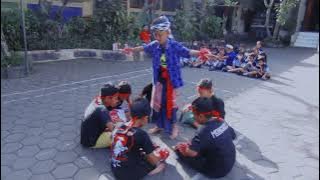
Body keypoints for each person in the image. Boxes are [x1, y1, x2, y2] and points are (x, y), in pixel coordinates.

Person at [121, 15, 210, 139]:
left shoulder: (174, 45)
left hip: (171, 81)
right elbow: (143, 47)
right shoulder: (154, 44)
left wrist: (201, 53)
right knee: (158, 104)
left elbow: (187, 51)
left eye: (160, 34)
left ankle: (174, 127)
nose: (157, 37)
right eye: (155, 35)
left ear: (167, 32)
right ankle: (159, 125)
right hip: (159, 80)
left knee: (171, 105)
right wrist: (131, 49)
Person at [174, 97, 236, 179]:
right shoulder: (220, 120)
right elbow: (233, 135)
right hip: (230, 161)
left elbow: (191, 153)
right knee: (207, 144)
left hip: (217, 171)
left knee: (179, 150)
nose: (193, 116)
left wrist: (183, 149)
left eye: (193, 114)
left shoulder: (203, 130)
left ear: (201, 116)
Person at [111, 98, 170, 180]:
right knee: (159, 159)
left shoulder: (120, 125)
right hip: (127, 175)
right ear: (145, 118)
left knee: (141, 151)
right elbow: (153, 160)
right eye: (147, 118)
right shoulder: (142, 135)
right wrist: (159, 159)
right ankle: (153, 171)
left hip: (114, 166)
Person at [81, 84, 119, 148]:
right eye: (116, 98)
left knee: (115, 123)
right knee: (120, 138)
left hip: (88, 133)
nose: (117, 100)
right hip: (91, 141)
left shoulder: (101, 99)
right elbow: (114, 130)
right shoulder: (102, 109)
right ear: (108, 98)